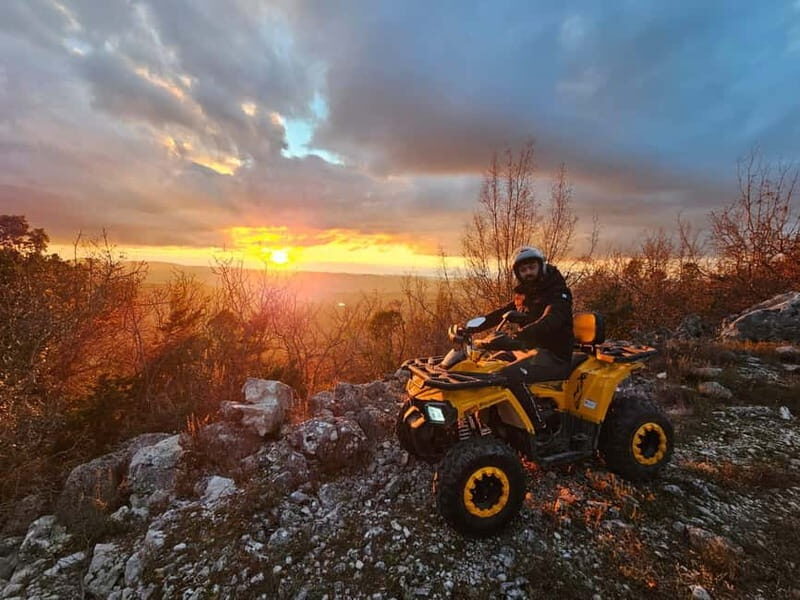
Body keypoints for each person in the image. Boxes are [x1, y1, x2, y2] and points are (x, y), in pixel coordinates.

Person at [458, 246, 574, 428]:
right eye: (523, 270)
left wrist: (518, 336)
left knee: (508, 376)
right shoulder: (526, 294)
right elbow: (499, 314)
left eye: (532, 267)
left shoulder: (558, 293)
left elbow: (551, 320)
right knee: (488, 369)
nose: (528, 272)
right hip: (527, 350)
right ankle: (495, 422)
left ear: (541, 266)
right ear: (518, 273)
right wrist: (468, 327)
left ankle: (537, 426)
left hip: (554, 355)